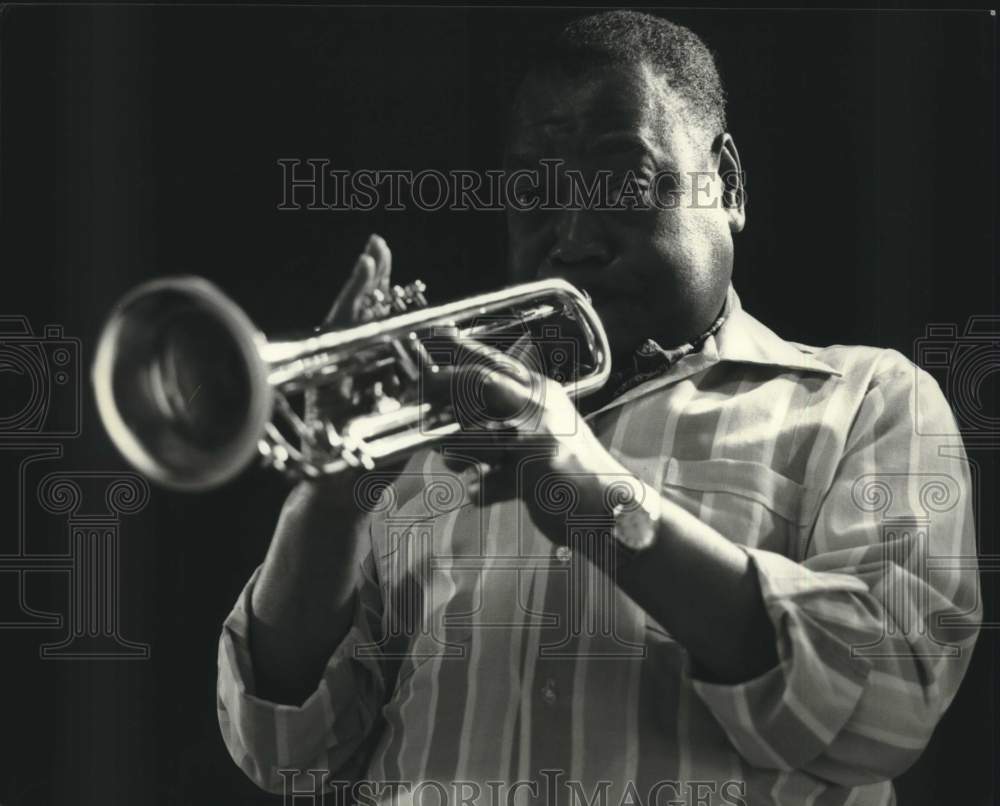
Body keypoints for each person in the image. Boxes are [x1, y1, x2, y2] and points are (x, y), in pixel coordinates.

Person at [217, 11, 980, 806]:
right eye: (535, 195)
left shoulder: (864, 401)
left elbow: (889, 705)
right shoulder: (420, 429)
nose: (573, 237)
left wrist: (586, 491)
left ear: (728, 182)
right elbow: (282, 753)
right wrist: (332, 496)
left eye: (621, 179)